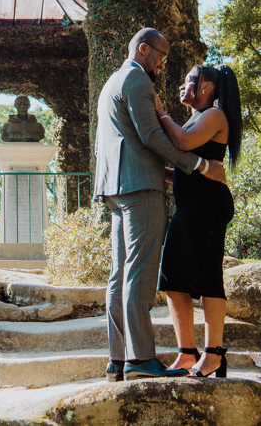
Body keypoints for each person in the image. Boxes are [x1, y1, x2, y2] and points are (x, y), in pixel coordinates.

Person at [94, 28, 226, 381]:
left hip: (115, 186)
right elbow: (151, 136)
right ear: (143, 49)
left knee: (119, 275)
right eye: (160, 57)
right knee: (139, 273)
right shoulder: (138, 81)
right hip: (140, 187)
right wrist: (200, 166)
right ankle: (140, 359)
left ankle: (118, 359)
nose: (162, 66)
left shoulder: (112, 82)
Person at [155, 64, 242, 378]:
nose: (182, 85)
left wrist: (161, 113)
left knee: (208, 279)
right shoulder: (195, 118)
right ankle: (187, 353)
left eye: (189, 80)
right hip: (192, 205)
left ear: (206, 87)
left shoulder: (214, 115)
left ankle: (214, 355)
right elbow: (185, 168)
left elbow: (182, 143)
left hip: (208, 206)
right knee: (172, 279)